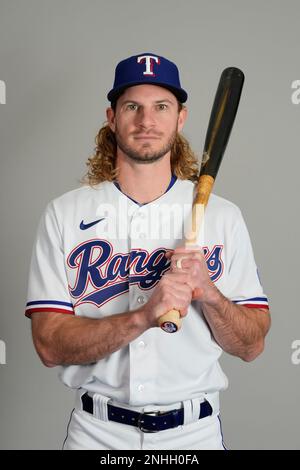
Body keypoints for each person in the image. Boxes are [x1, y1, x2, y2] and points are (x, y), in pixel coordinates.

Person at [25, 52, 271, 450]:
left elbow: (252, 345)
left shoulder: (223, 217)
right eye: (132, 107)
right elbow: (50, 345)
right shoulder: (65, 214)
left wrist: (208, 293)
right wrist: (142, 316)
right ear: (111, 117)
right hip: (96, 434)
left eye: (161, 106)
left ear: (181, 118)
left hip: (195, 435)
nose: (146, 121)